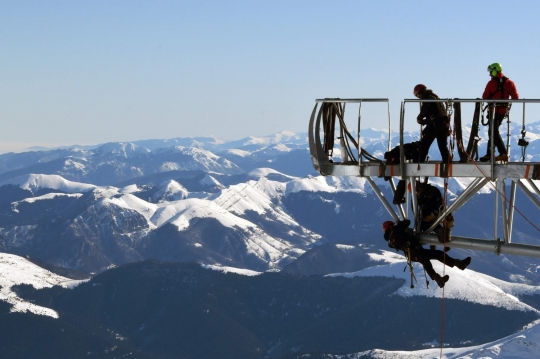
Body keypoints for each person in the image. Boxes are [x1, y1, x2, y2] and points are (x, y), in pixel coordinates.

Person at [382, 219, 471, 288]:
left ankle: (448, 272)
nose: (394, 225)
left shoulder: (390, 241)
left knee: (431, 259)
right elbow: (407, 222)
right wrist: (400, 225)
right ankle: (455, 266)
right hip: (415, 251)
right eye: (392, 225)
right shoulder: (397, 230)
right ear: (389, 226)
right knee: (433, 257)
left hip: (413, 253)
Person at [480, 63, 519, 162]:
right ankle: (489, 154)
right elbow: (515, 98)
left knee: (493, 132)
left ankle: (503, 153)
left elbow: (484, 97)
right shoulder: (510, 83)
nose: (490, 74)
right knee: (493, 131)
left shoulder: (491, 83)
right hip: (502, 111)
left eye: (490, 72)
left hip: (492, 110)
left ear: (494, 71)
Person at [413, 84, 450, 163]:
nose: (419, 97)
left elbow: (425, 111)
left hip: (436, 125)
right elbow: (436, 113)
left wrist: (419, 119)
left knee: (425, 144)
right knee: (442, 146)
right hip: (443, 124)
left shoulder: (426, 98)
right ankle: (447, 161)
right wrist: (425, 121)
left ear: (420, 92)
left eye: (418, 95)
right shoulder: (435, 97)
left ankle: (420, 161)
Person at [411, 181, 454, 246]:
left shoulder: (431, 192)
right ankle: (439, 240)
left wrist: (433, 215)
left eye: (417, 192)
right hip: (428, 216)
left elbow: (439, 204)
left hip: (435, 212)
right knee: (427, 226)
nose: (417, 194)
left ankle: (444, 237)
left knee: (431, 225)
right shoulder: (420, 196)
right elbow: (415, 208)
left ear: (419, 189)